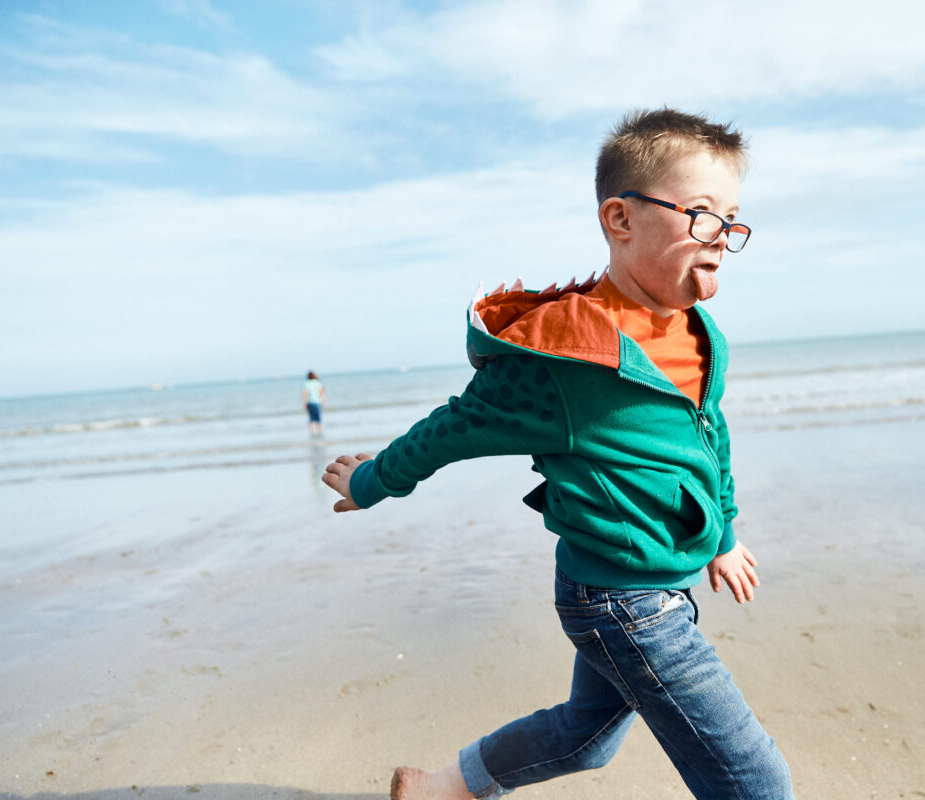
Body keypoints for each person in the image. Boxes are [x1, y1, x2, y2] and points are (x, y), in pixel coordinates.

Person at [322, 108, 794, 800]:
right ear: (621, 219)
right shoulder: (563, 352)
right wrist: (373, 480)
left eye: (731, 219)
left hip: (659, 583)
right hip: (621, 601)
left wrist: (722, 532)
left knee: (587, 735)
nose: (720, 236)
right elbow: (456, 426)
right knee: (756, 783)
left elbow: (708, 434)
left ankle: (438, 788)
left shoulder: (700, 332)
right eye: (699, 214)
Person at [302, 371, 326, 435]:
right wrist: (324, 401)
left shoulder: (307, 383)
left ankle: (312, 433)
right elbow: (321, 393)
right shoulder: (318, 382)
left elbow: (305, 394)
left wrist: (304, 403)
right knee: (318, 418)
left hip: (310, 402)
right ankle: (320, 432)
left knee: (311, 418)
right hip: (317, 401)